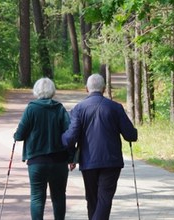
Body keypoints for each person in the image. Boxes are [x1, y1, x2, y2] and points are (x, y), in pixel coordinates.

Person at [62, 73, 138, 220]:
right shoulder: (115, 107)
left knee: (92, 200)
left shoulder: (79, 109)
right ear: (104, 89)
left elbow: (70, 138)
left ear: (86, 89)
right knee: (104, 199)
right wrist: (133, 131)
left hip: (88, 161)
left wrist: (61, 139)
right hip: (111, 161)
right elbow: (130, 135)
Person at [13, 77, 72, 220]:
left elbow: (19, 135)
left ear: (36, 91)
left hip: (36, 161)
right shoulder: (59, 108)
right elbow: (70, 134)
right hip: (59, 161)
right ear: (52, 91)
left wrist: (16, 134)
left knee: (37, 198)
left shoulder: (31, 108)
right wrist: (71, 157)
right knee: (58, 197)